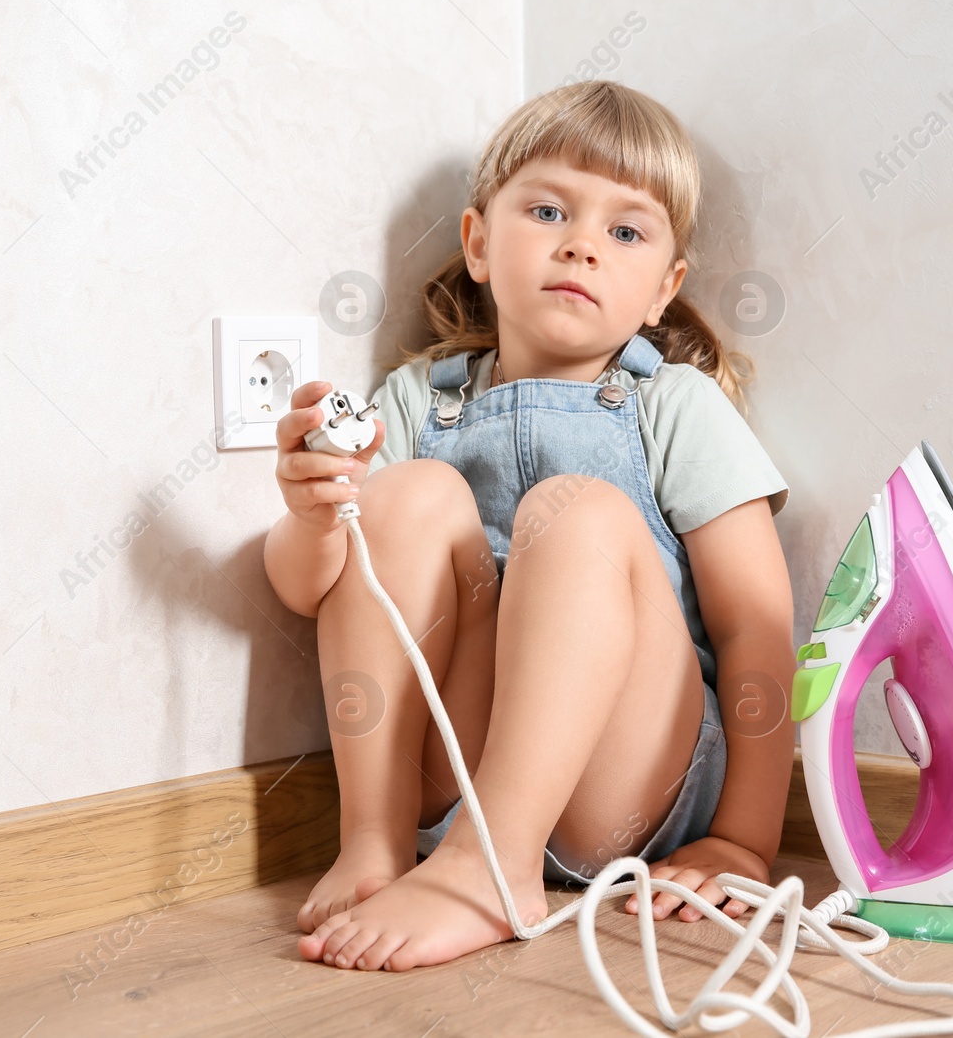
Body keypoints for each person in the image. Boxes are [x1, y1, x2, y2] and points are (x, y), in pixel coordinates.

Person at [263, 80, 794, 973]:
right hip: (455, 777)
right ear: (479, 242)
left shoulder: (677, 406)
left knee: (575, 511)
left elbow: (758, 630)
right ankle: (377, 841)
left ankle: (489, 869)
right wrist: (314, 512)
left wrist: (743, 840)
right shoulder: (412, 402)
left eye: (624, 231)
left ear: (663, 289)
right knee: (404, 495)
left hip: (622, 792)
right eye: (548, 210)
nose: (582, 245)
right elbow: (311, 587)